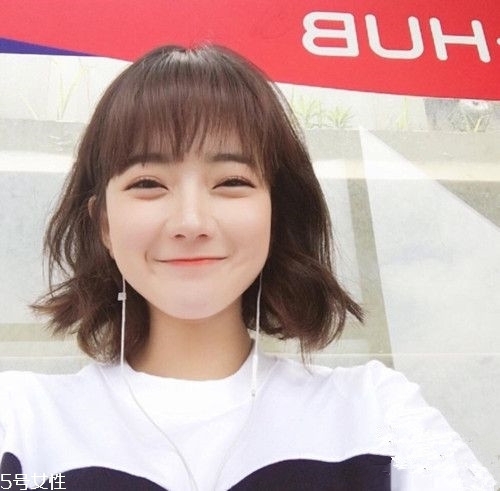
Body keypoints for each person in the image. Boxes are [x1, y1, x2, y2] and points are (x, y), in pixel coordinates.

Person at [0, 45, 495, 491]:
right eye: (148, 183)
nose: (191, 222)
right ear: (104, 224)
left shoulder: (377, 412)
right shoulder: (21, 422)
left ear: (276, 212)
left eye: (232, 181)